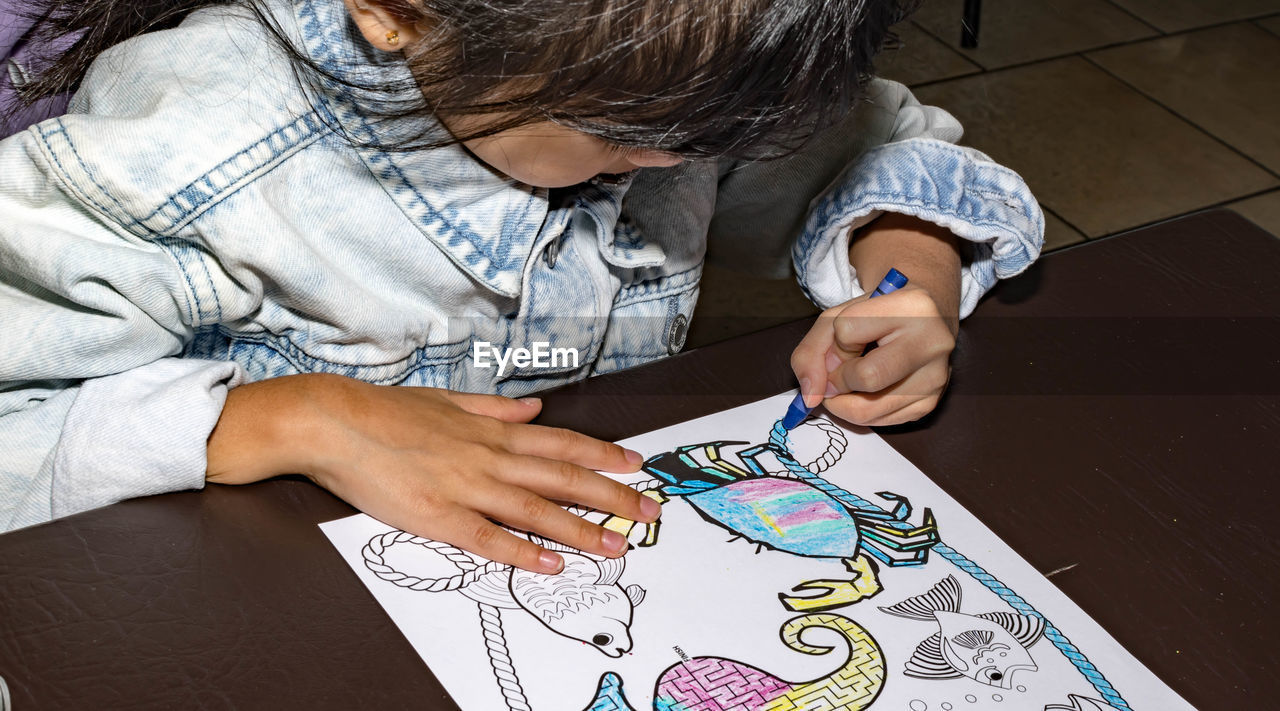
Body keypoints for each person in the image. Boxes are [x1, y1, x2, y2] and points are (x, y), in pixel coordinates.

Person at [0, 0, 1043, 574]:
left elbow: (883, 152)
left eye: (715, 138)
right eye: (626, 137)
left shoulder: (677, 63)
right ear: (398, 12)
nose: (684, 163)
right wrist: (296, 420)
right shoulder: (188, 151)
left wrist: (913, 273)